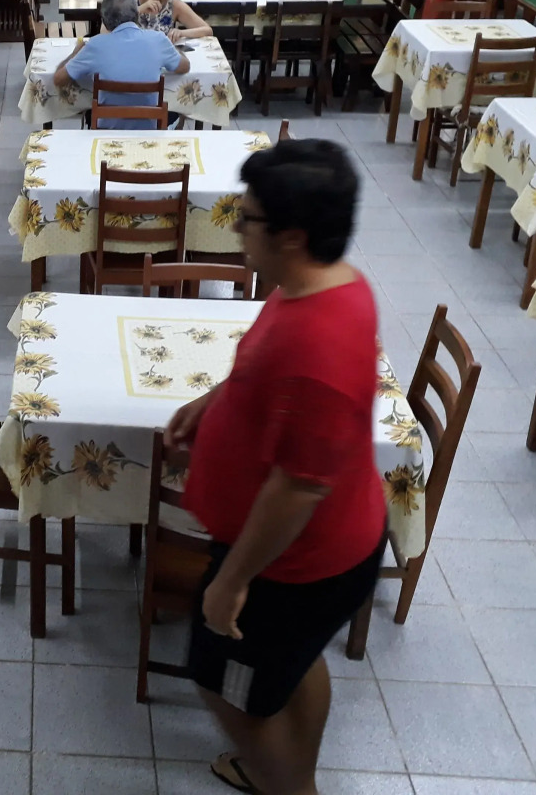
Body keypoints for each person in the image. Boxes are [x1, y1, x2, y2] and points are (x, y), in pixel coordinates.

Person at [163, 138, 386, 795]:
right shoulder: (323, 283)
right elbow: (264, 370)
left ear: (292, 235)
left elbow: (298, 488)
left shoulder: (319, 344)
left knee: (228, 687)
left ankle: (287, 785)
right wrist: (216, 401)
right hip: (303, 555)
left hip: (290, 569)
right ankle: (287, 776)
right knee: (291, 665)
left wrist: (232, 582)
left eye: (248, 218)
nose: (236, 227)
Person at [51, 0, 189, 129]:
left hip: (106, 130)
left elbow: (58, 79)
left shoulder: (95, 45)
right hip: (149, 130)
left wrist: (75, 53)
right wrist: (172, 47)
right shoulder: (158, 40)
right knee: (177, 112)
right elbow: (184, 67)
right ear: (136, 16)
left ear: (105, 22)